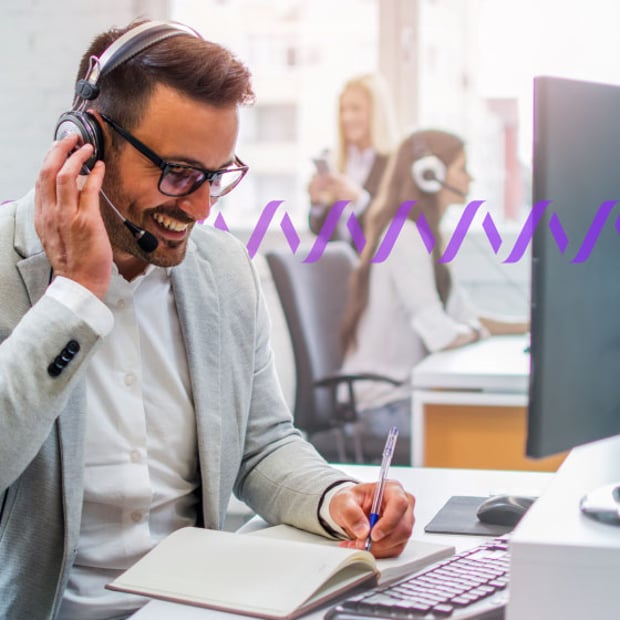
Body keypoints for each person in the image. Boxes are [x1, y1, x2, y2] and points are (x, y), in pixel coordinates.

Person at [0, 20, 414, 620]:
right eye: (177, 173)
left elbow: (261, 444)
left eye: (215, 177)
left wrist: (334, 497)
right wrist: (74, 297)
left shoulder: (221, 269)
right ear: (86, 146)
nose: (198, 207)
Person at [340, 129, 529, 445]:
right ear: (430, 175)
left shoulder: (428, 237)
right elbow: (441, 334)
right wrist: (476, 331)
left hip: (405, 398)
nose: (470, 179)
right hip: (382, 408)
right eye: (462, 168)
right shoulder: (403, 236)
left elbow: (465, 316)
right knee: (498, 434)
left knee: (505, 424)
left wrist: (528, 326)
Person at [308, 73, 397, 244]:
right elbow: (319, 230)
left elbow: (392, 230)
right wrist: (318, 202)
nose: (346, 118)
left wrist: (359, 199)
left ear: (377, 112)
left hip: (374, 265)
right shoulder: (332, 158)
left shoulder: (394, 163)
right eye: (343, 110)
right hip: (336, 264)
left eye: (355, 109)